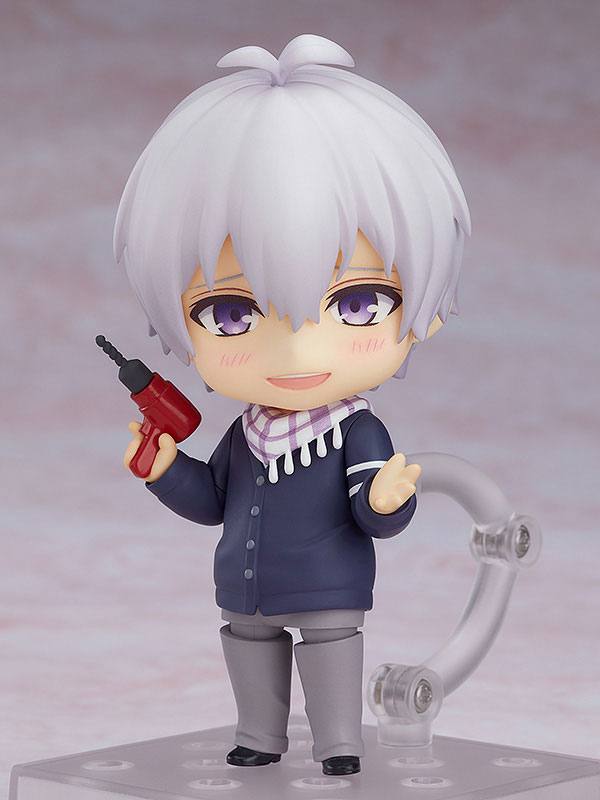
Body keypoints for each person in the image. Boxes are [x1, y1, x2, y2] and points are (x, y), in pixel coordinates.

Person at [115, 34, 470, 776]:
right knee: (249, 649)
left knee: (331, 650)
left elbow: (375, 515)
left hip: (329, 589)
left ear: (425, 313)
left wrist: (388, 498)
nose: (301, 350)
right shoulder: (245, 431)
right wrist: (165, 470)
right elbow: (213, 499)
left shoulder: (357, 430)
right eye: (230, 313)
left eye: (358, 302)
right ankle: (259, 735)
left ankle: (339, 742)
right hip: (245, 590)